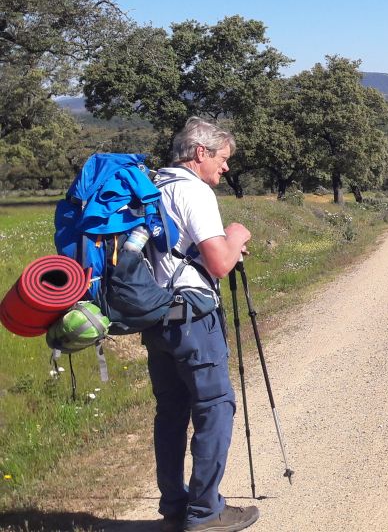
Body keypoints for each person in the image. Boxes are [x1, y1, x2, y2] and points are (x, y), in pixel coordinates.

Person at [144, 117, 258, 532]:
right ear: (200, 153)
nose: (225, 169)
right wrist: (237, 233)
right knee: (214, 409)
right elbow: (219, 263)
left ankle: (174, 505)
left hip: (155, 317)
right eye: (223, 159)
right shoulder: (195, 192)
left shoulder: (151, 187)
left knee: (171, 412)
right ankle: (206, 511)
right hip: (192, 318)